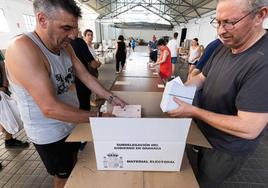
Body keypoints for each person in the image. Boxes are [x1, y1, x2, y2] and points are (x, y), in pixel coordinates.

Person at [5, 0, 125, 187]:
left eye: (75, 28)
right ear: (42, 19)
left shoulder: (64, 45)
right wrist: (99, 116)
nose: (73, 35)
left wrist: (111, 97)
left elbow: (84, 74)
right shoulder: (23, 49)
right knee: (63, 176)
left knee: (74, 162)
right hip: (49, 132)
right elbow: (49, 108)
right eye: (66, 28)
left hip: (71, 121)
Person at [167, 0, 268, 187]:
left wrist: (193, 111)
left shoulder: (262, 62)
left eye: (230, 22)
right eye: (219, 22)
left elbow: (249, 128)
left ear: (260, 16)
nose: (221, 31)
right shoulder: (225, 45)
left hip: (226, 147)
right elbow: (203, 77)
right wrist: (180, 91)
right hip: (205, 133)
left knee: (205, 182)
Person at [0, 51, 29, 170]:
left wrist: (4, 82)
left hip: (1, 88)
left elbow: (2, 64)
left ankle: (9, 140)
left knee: (6, 114)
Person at [83, 29, 102, 107]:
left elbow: (93, 57)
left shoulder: (91, 46)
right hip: (89, 67)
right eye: (88, 35)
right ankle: (91, 100)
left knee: (95, 81)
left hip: (94, 67)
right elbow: (89, 61)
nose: (90, 36)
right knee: (90, 84)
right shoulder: (85, 46)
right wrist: (97, 63)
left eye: (91, 35)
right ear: (84, 36)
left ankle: (97, 96)